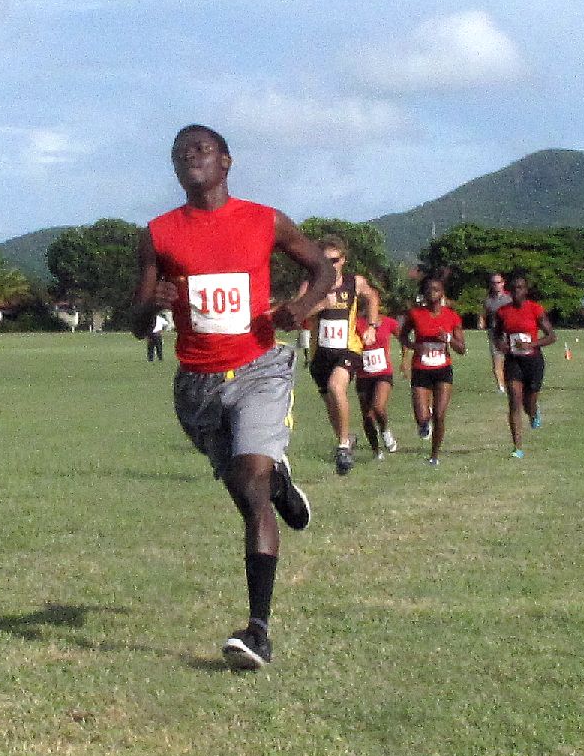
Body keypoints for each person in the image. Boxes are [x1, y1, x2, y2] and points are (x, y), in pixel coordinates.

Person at [132, 124, 333, 671]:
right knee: (251, 492)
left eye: (201, 149)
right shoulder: (158, 233)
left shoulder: (264, 220)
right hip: (197, 387)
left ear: (226, 161)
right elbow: (136, 321)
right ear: (174, 169)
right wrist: (155, 301)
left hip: (259, 368)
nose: (191, 157)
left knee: (250, 484)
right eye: (180, 153)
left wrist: (302, 308)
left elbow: (322, 268)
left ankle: (258, 631)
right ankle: (278, 478)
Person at [305, 236, 383, 476]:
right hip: (320, 355)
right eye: (325, 261)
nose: (331, 265)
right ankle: (346, 438)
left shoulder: (354, 282)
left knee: (336, 387)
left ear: (343, 260)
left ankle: (342, 447)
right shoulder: (311, 285)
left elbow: (373, 297)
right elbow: (298, 313)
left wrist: (371, 325)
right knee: (331, 405)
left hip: (348, 349)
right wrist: (318, 305)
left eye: (335, 260)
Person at [399, 277, 466, 466]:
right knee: (422, 418)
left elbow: (462, 349)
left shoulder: (452, 316)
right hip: (421, 369)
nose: (432, 293)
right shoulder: (415, 314)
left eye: (436, 290)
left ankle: (434, 455)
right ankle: (423, 422)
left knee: (439, 415)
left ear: (442, 292)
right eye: (428, 290)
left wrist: (449, 339)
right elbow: (403, 336)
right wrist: (414, 346)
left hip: (443, 369)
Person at [493, 274, 555, 457]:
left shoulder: (535, 309)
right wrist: (501, 345)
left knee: (529, 404)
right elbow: (496, 335)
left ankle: (534, 413)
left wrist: (532, 344)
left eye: (520, 288)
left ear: (526, 290)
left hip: (533, 361)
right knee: (514, 402)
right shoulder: (503, 312)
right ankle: (517, 447)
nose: (517, 292)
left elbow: (551, 336)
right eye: (513, 289)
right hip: (513, 361)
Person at [354, 301, 398, 460]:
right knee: (367, 416)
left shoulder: (388, 322)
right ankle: (376, 450)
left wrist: (406, 359)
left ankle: (385, 430)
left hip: (383, 373)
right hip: (363, 375)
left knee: (378, 408)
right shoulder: (356, 324)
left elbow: (403, 336)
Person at [481, 272, 512, 395]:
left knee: (511, 361)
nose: (496, 285)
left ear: (503, 283)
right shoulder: (488, 301)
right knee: (496, 361)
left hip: (509, 333)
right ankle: (501, 387)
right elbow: (483, 314)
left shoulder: (510, 299)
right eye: (494, 283)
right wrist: (481, 322)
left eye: (498, 282)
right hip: (495, 333)